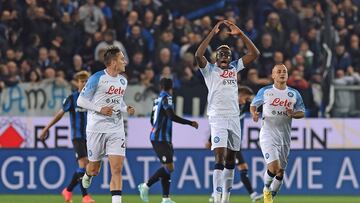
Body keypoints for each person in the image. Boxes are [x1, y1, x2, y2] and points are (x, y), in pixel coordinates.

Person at [195, 20, 260, 203]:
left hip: (234, 118)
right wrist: (211, 34)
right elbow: (198, 54)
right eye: (221, 54)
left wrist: (241, 34)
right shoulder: (209, 71)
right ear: (216, 57)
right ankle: (216, 197)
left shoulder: (234, 68)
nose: (224, 56)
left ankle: (225, 199)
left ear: (230, 58)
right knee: (220, 157)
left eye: (227, 54)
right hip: (218, 118)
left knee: (231, 160)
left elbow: (255, 53)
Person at [77, 46, 135, 203]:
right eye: (122, 59)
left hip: (116, 129)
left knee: (117, 169)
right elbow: (80, 101)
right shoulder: (97, 78)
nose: (125, 61)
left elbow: (118, 100)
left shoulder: (123, 81)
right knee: (94, 169)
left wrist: (125, 107)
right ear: (113, 62)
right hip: (96, 129)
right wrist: (100, 109)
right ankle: (87, 174)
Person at [250, 64, 305, 203]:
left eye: (284, 71)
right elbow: (253, 105)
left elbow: (302, 112)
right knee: (274, 168)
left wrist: (293, 114)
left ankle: (271, 197)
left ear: (287, 75)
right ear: (273, 75)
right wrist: (254, 113)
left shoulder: (294, 94)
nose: (282, 73)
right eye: (279, 71)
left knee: (280, 172)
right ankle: (266, 188)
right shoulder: (266, 91)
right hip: (268, 134)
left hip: (284, 137)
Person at [138, 78, 199, 203]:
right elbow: (171, 116)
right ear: (171, 88)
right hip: (161, 138)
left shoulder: (157, 100)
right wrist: (190, 123)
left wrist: (157, 129)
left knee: (166, 167)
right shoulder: (168, 98)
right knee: (170, 167)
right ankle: (146, 185)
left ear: (160, 87)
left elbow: (152, 120)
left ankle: (166, 198)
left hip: (158, 137)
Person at [40, 71, 95, 203]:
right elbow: (59, 114)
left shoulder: (93, 99)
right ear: (77, 83)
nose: (84, 84)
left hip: (90, 137)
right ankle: (85, 197)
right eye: (81, 81)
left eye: (86, 81)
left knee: (88, 168)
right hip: (77, 137)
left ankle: (68, 190)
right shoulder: (72, 98)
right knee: (84, 164)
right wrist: (46, 128)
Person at [207, 86, 263, 203]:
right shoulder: (229, 106)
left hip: (235, 141)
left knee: (232, 167)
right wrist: (210, 139)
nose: (247, 101)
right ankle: (217, 194)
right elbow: (219, 123)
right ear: (239, 95)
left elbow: (257, 106)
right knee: (235, 166)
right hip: (226, 141)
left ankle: (216, 194)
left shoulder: (243, 106)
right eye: (246, 98)